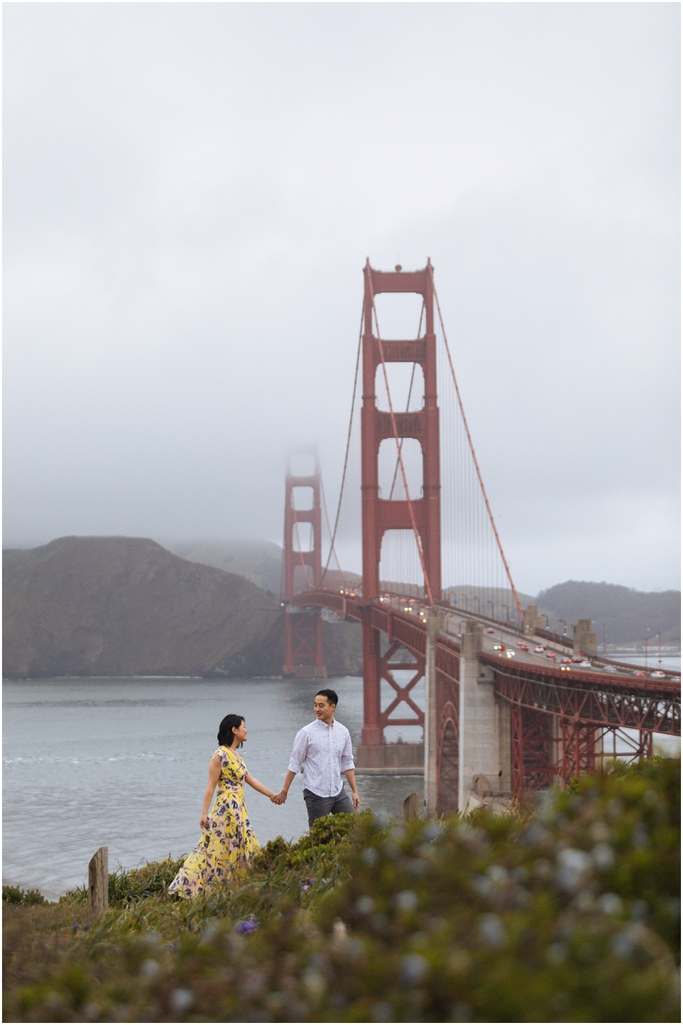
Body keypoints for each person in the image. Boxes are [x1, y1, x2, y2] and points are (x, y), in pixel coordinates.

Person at [169, 713, 278, 898]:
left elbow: (251, 780)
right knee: (216, 848)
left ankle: (234, 887)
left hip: (239, 808)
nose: (246, 729)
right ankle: (190, 888)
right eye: (243, 726)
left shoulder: (237, 756)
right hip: (226, 808)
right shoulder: (220, 755)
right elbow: (211, 786)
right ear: (234, 730)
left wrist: (272, 795)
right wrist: (204, 814)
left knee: (238, 845)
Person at [273, 688, 360, 826]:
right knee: (318, 837)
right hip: (316, 794)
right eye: (315, 705)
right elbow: (294, 764)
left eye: (321, 705)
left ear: (333, 707)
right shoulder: (306, 733)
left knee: (354, 827)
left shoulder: (343, 732)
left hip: (338, 792)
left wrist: (355, 791)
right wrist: (284, 791)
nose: (317, 709)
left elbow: (347, 763)